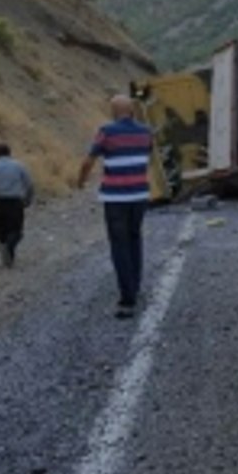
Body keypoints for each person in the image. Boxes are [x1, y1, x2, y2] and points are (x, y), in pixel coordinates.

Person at [77, 95, 153, 319]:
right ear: (132, 110)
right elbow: (146, 156)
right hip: (139, 194)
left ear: (113, 111)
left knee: (119, 244)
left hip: (115, 198)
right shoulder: (146, 131)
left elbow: (89, 160)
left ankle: (127, 298)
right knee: (134, 238)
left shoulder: (107, 131)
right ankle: (135, 285)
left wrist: (81, 181)